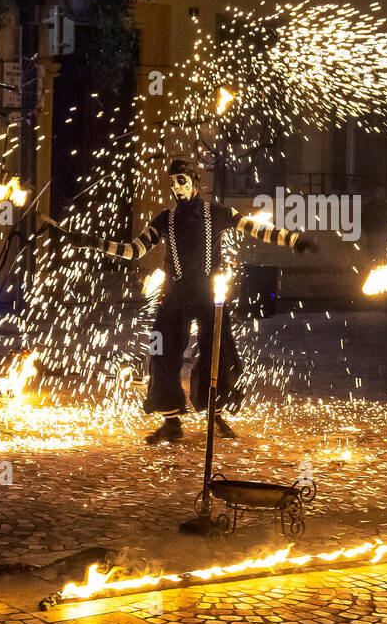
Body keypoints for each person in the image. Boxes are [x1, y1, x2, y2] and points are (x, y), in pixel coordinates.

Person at [43, 159, 316, 444]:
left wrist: (292, 240)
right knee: (160, 349)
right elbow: (134, 250)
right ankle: (171, 421)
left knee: (217, 354)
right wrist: (94, 242)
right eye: (172, 182)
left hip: (207, 295)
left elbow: (254, 228)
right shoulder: (165, 219)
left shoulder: (217, 212)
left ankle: (215, 415)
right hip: (175, 295)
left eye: (181, 180)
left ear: (195, 181)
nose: (176, 187)